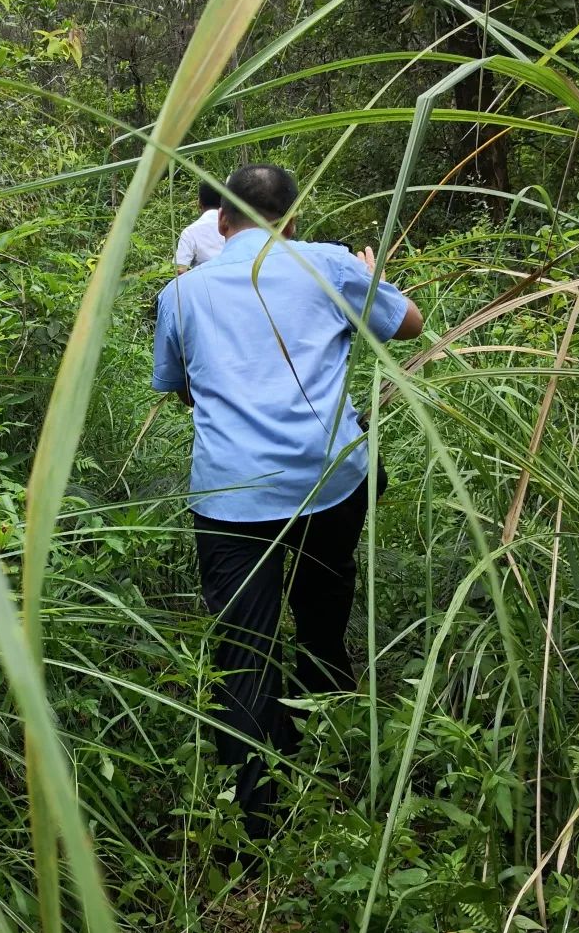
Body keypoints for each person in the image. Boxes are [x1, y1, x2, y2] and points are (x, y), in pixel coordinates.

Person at [151, 164, 424, 844]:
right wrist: (372, 274)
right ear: (293, 219)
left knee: (243, 645)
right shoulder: (329, 265)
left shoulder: (179, 297)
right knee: (322, 620)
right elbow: (410, 324)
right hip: (327, 484)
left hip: (230, 496)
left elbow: (181, 388)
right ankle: (326, 752)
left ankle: (255, 818)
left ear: (221, 221)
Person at [175, 181, 225, 274]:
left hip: (205, 284)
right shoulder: (237, 227)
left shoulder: (190, 232)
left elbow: (180, 269)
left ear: (199, 202)